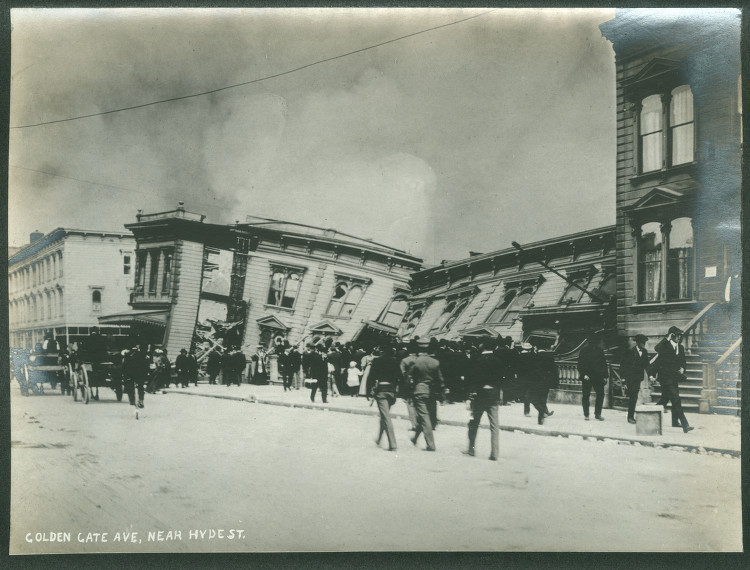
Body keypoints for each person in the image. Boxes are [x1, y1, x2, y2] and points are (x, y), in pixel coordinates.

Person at [651, 326, 693, 433]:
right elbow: (657, 348)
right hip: (665, 378)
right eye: (677, 335)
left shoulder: (681, 348)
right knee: (676, 398)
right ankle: (685, 425)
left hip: (674, 378)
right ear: (672, 335)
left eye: (680, 335)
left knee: (664, 399)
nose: (679, 337)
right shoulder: (665, 346)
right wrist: (667, 338)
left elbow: (683, 361)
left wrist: (683, 368)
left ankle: (651, 416)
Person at [465, 341, 501, 461]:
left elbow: (473, 379)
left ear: (483, 347)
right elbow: (502, 378)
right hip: (494, 395)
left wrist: (470, 396)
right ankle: (494, 453)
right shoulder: (498, 360)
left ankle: (471, 448)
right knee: (494, 425)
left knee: (474, 423)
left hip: (480, 396)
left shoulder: (478, 360)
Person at [408, 339, 446, 451]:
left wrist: (409, 392)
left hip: (419, 390)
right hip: (432, 392)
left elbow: (409, 378)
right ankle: (415, 438)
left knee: (424, 417)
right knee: (425, 416)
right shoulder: (435, 362)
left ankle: (430, 444)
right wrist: (441, 393)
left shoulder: (415, 362)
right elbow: (440, 380)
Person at [368, 346, 402, 451]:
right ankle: (378, 439)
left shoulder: (377, 361)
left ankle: (393, 443)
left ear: (382, 351)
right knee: (384, 415)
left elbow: (371, 376)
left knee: (386, 417)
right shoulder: (395, 361)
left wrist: (370, 390)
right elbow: (400, 377)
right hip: (391, 391)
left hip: (381, 390)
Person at [620, 334, 651, 424]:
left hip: (638, 378)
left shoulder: (644, 352)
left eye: (644, 342)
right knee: (633, 396)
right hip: (630, 377)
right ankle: (630, 417)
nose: (643, 344)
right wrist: (623, 378)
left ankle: (631, 416)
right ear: (637, 343)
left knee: (634, 397)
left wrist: (651, 375)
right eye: (642, 342)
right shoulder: (629, 351)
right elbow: (623, 365)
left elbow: (647, 365)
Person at [578, 332, 608, 421]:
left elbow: (604, 364)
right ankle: (586, 414)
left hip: (598, 377)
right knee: (586, 396)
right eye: (592, 341)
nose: (594, 343)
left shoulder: (600, 351)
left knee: (601, 395)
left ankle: (598, 414)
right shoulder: (583, 351)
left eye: (596, 341)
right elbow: (580, 364)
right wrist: (584, 374)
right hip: (587, 377)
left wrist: (605, 376)